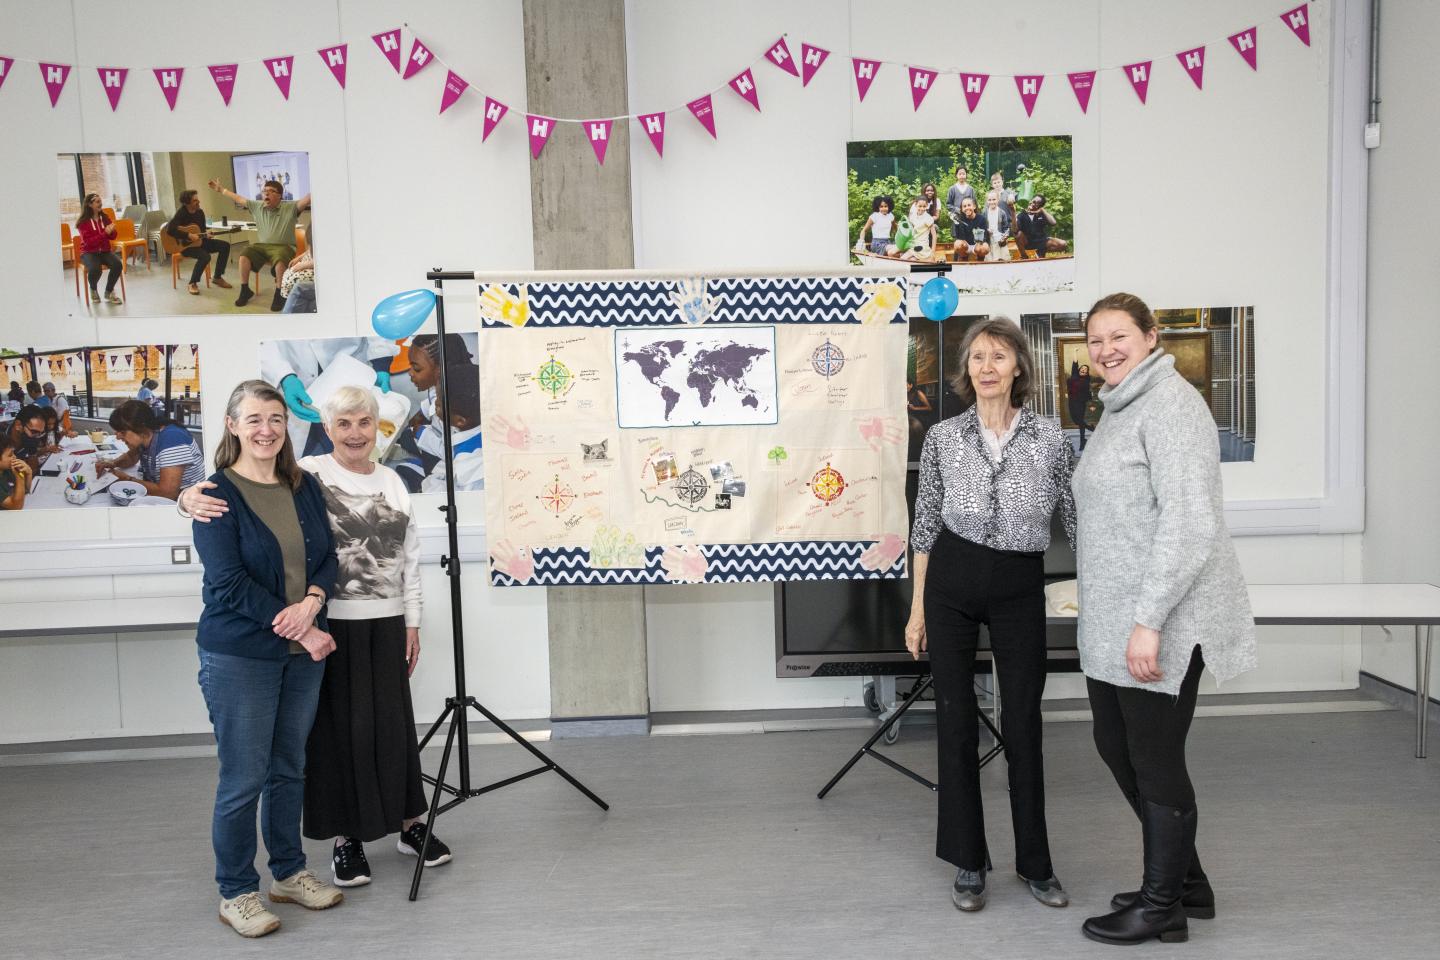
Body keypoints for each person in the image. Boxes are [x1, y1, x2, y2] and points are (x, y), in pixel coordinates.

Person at [181, 385, 452, 890]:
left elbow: (399, 560)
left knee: (380, 732)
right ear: (326, 429)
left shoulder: (374, 482)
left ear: (379, 429)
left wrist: (409, 620)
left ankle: (396, 828)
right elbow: (231, 525)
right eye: (343, 423)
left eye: (364, 423)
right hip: (316, 628)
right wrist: (184, 496)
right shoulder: (308, 473)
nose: (355, 432)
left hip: (370, 620)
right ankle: (332, 844)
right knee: (322, 741)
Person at [1070, 293, 1257, 946]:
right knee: (1117, 745)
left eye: (1118, 335)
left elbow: (1188, 523)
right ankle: (1186, 884)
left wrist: (1149, 620)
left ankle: (1161, 907)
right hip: (1116, 616)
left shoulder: (1173, 406)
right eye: (1095, 339)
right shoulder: (1120, 408)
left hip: (1165, 617)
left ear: (1151, 337)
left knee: (1152, 756)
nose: (1105, 349)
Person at [905, 317, 1076, 914]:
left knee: (1024, 721)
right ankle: (968, 862)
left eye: (998, 356)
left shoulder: (1052, 439)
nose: (986, 366)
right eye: (977, 357)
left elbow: (1078, 525)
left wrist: (1101, 592)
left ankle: (1037, 862)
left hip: (1018, 583)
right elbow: (924, 526)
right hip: (951, 579)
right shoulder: (944, 438)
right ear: (966, 371)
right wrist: (917, 608)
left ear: (1018, 368)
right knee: (955, 722)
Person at [189, 379, 344, 938]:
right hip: (241, 655)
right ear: (232, 426)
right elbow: (229, 584)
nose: (266, 430)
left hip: (304, 649)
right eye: (253, 419)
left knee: (288, 769)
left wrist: (314, 602)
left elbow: (328, 558)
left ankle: (288, 871)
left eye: (275, 419)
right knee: (244, 777)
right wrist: (303, 630)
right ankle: (236, 891)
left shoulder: (300, 485)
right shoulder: (214, 495)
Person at [207, 177, 311, 311]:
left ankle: (279, 293)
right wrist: (221, 190)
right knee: (244, 254)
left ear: (279, 195)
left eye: (271, 191)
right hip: (263, 246)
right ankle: (245, 290)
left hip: (285, 247)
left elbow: (308, 198)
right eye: (264, 191)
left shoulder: (290, 207)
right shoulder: (257, 206)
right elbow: (238, 198)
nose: (266, 193)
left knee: (280, 258)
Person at [95, 399, 205, 500]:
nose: (118, 437)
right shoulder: (147, 435)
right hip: (163, 493)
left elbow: (169, 493)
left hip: (189, 499)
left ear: (141, 428)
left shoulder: (172, 438)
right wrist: (112, 463)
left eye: (122, 432)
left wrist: (127, 479)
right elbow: (131, 457)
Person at [166, 189, 234, 295]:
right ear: (187, 202)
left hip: (199, 242)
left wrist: (207, 234)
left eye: (198, 200)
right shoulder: (181, 213)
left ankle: (217, 277)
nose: (198, 202)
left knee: (225, 246)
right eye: (195, 201)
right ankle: (192, 283)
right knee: (205, 256)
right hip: (185, 246)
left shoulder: (200, 212)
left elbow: (201, 231)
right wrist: (187, 235)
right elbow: (170, 230)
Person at [75, 192, 124, 304]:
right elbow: (88, 243)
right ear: (90, 205)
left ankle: (109, 291)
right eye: (97, 202)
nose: (100, 203)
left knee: (117, 265)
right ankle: (93, 288)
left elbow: (113, 236)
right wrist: (104, 233)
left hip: (104, 251)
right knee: (95, 269)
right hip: (89, 252)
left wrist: (111, 231)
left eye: (100, 201)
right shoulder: (83, 223)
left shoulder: (105, 217)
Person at [1016, 195, 1069, 259]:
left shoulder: (1042, 214)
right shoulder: (1022, 214)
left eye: (1037, 203)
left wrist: (1042, 210)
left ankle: (1040, 252)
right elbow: (1015, 231)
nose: (1034, 204)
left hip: (1041, 241)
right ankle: (1024, 256)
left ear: (1040, 206)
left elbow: (1053, 223)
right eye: (1033, 201)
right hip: (1027, 242)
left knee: (1063, 244)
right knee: (1019, 234)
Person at [279, 224, 316, 314]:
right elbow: (311, 248)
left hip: (314, 265)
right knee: (291, 274)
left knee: (298, 283)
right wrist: (299, 257)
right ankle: (287, 301)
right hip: (310, 260)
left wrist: (306, 264)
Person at [8, 405, 55, 472]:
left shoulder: (30, 440)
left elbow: (33, 469)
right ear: (18, 425)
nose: (37, 436)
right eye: (34, 431)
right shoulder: (3, 442)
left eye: (40, 433)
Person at [1066, 361, 1099, 450]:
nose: (1083, 370)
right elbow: (1075, 363)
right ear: (1079, 369)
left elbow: (1088, 393)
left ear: (1087, 373)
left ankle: (1082, 441)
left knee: (1080, 422)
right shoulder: (1074, 376)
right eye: (1082, 368)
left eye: (1086, 370)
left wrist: (1091, 404)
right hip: (1071, 402)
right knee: (1076, 421)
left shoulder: (1086, 381)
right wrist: (1075, 352)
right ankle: (1089, 429)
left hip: (1080, 403)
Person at [951, 197, 991, 262]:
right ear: (962, 209)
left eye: (969, 205)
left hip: (977, 244)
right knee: (957, 244)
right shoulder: (959, 219)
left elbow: (984, 237)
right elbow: (959, 238)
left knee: (985, 248)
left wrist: (979, 245)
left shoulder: (982, 219)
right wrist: (957, 225)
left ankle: (980, 259)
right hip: (966, 245)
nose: (967, 208)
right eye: (964, 206)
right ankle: (964, 258)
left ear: (974, 206)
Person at [900, 193, 937, 261]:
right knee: (906, 260)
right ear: (915, 205)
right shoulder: (913, 216)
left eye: (924, 206)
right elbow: (909, 230)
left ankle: (922, 257)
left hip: (922, 246)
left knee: (903, 259)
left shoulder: (928, 218)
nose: (922, 208)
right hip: (913, 244)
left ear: (927, 206)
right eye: (920, 206)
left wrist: (933, 252)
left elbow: (934, 235)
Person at [0, 431, 31, 510]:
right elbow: (16, 507)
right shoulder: (11, 469)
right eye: (10, 455)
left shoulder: (6, 469)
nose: (15, 456)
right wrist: (19, 476)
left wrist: (29, 473)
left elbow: (25, 490)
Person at [944, 166, 978, 230]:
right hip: (957, 217)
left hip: (969, 216)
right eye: (960, 174)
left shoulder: (970, 189)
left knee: (969, 234)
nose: (962, 176)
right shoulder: (952, 189)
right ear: (956, 175)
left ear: (966, 175)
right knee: (958, 236)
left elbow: (974, 203)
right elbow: (948, 204)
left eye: (963, 174)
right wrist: (957, 210)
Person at [982, 191, 1012, 261]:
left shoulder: (1002, 213)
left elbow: (1006, 228)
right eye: (989, 200)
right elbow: (982, 226)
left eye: (994, 199)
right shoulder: (985, 212)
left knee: (1004, 258)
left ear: (998, 200)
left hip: (999, 239)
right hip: (989, 239)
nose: (992, 202)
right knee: (990, 259)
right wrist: (987, 230)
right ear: (987, 201)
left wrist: (1004, 237)